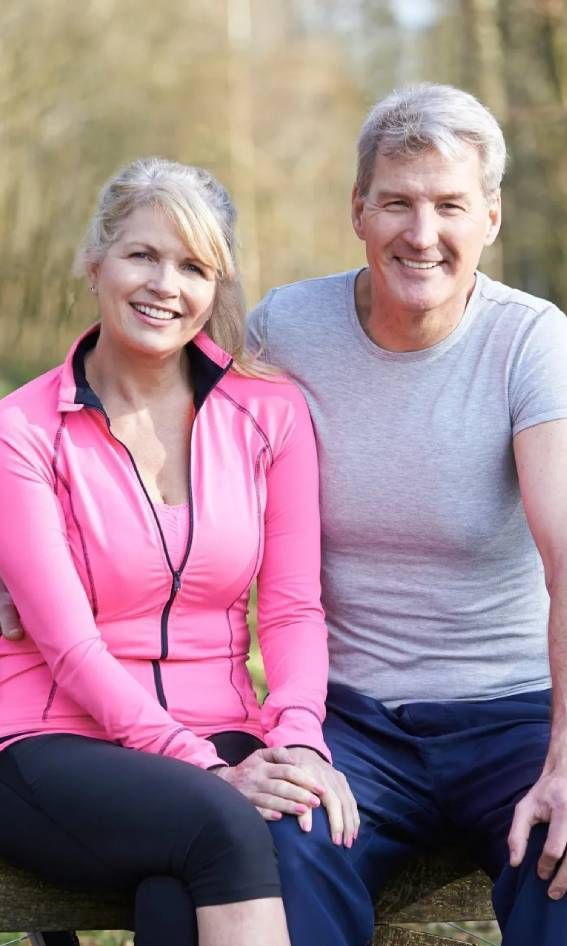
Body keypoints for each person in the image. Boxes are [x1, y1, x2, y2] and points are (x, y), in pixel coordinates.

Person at [0, 157, 357, 946]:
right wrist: (202, 770)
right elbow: (67, 647)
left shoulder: (270, 415)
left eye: (193, 265)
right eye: (142, 254)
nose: (166, 284)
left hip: (221, 722)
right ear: (95, 261)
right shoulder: (22, 432)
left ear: (217, 287)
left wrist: (296, 739)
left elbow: (294, 607)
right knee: (220, 826)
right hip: (54, 738)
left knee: (187, 886)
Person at [247, 84, 567, 945]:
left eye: (449, 206)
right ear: (357, 209)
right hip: (349, 720)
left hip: (516, 715)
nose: (421, 234)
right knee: (279, 846)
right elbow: (166, 449)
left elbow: (566, 558)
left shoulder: (529, 341)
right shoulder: (286, 328)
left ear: (490, 218)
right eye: (396, 202)